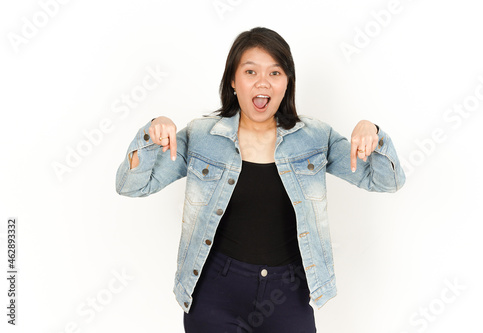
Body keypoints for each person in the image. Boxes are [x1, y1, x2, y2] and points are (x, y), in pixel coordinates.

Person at [115, 27, 406, 333]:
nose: (263, 82)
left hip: (289, 293)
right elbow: (132, 185)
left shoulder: (316, 138)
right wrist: (151, 132)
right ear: (233, 80)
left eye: (275, 73)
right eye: (250, 71)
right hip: (216, 292)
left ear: (287, 82)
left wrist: (373, 132)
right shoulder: (203, 137)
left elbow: (385, 181)